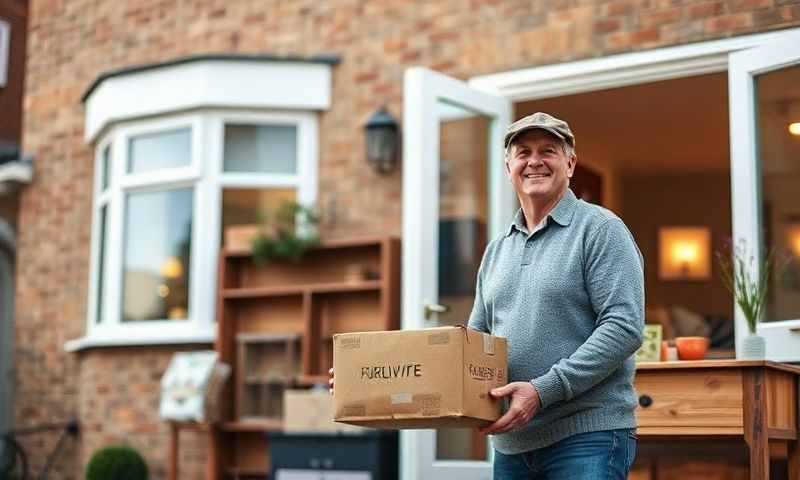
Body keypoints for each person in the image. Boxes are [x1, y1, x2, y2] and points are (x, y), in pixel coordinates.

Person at [470, 112, 644, 479]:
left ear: (570, 163)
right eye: (523, 152)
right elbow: (474, 342)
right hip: (512, 443)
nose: (534, 161)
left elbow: (623, 327)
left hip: (587, 436)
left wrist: (542, 391)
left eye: (548, 150)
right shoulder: (496, 250)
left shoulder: (601, 230)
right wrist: (386, 378)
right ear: (508, 167)